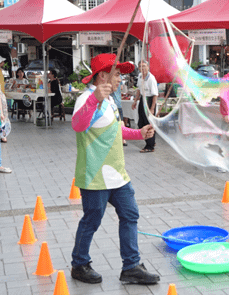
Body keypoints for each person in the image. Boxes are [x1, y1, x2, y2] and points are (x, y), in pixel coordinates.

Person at [70, 53, 159, 285]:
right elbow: (78, 126)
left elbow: (116, 130)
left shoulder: (109, 100)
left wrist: (139, 134)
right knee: (92, 220)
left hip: (118, 175)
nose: (121, 78)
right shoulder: (87, 98)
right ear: (102, 76)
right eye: (117, 74)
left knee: (130, 214)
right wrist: (93, 100)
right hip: (95, 175)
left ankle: (131, 266)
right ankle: (79, 264)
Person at [131, 60, 157, 153]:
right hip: (143, 99)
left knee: (148, 123)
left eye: (144, 66)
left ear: (148, 67)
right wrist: (135, 101)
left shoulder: (151, 78)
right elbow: (139, 90)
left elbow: (155, 95)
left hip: (149, 100)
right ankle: (152, 140)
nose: (142, 68)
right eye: (140, 66)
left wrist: (152, 108)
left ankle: (149, 146)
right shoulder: (140, 76)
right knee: (141, 123)